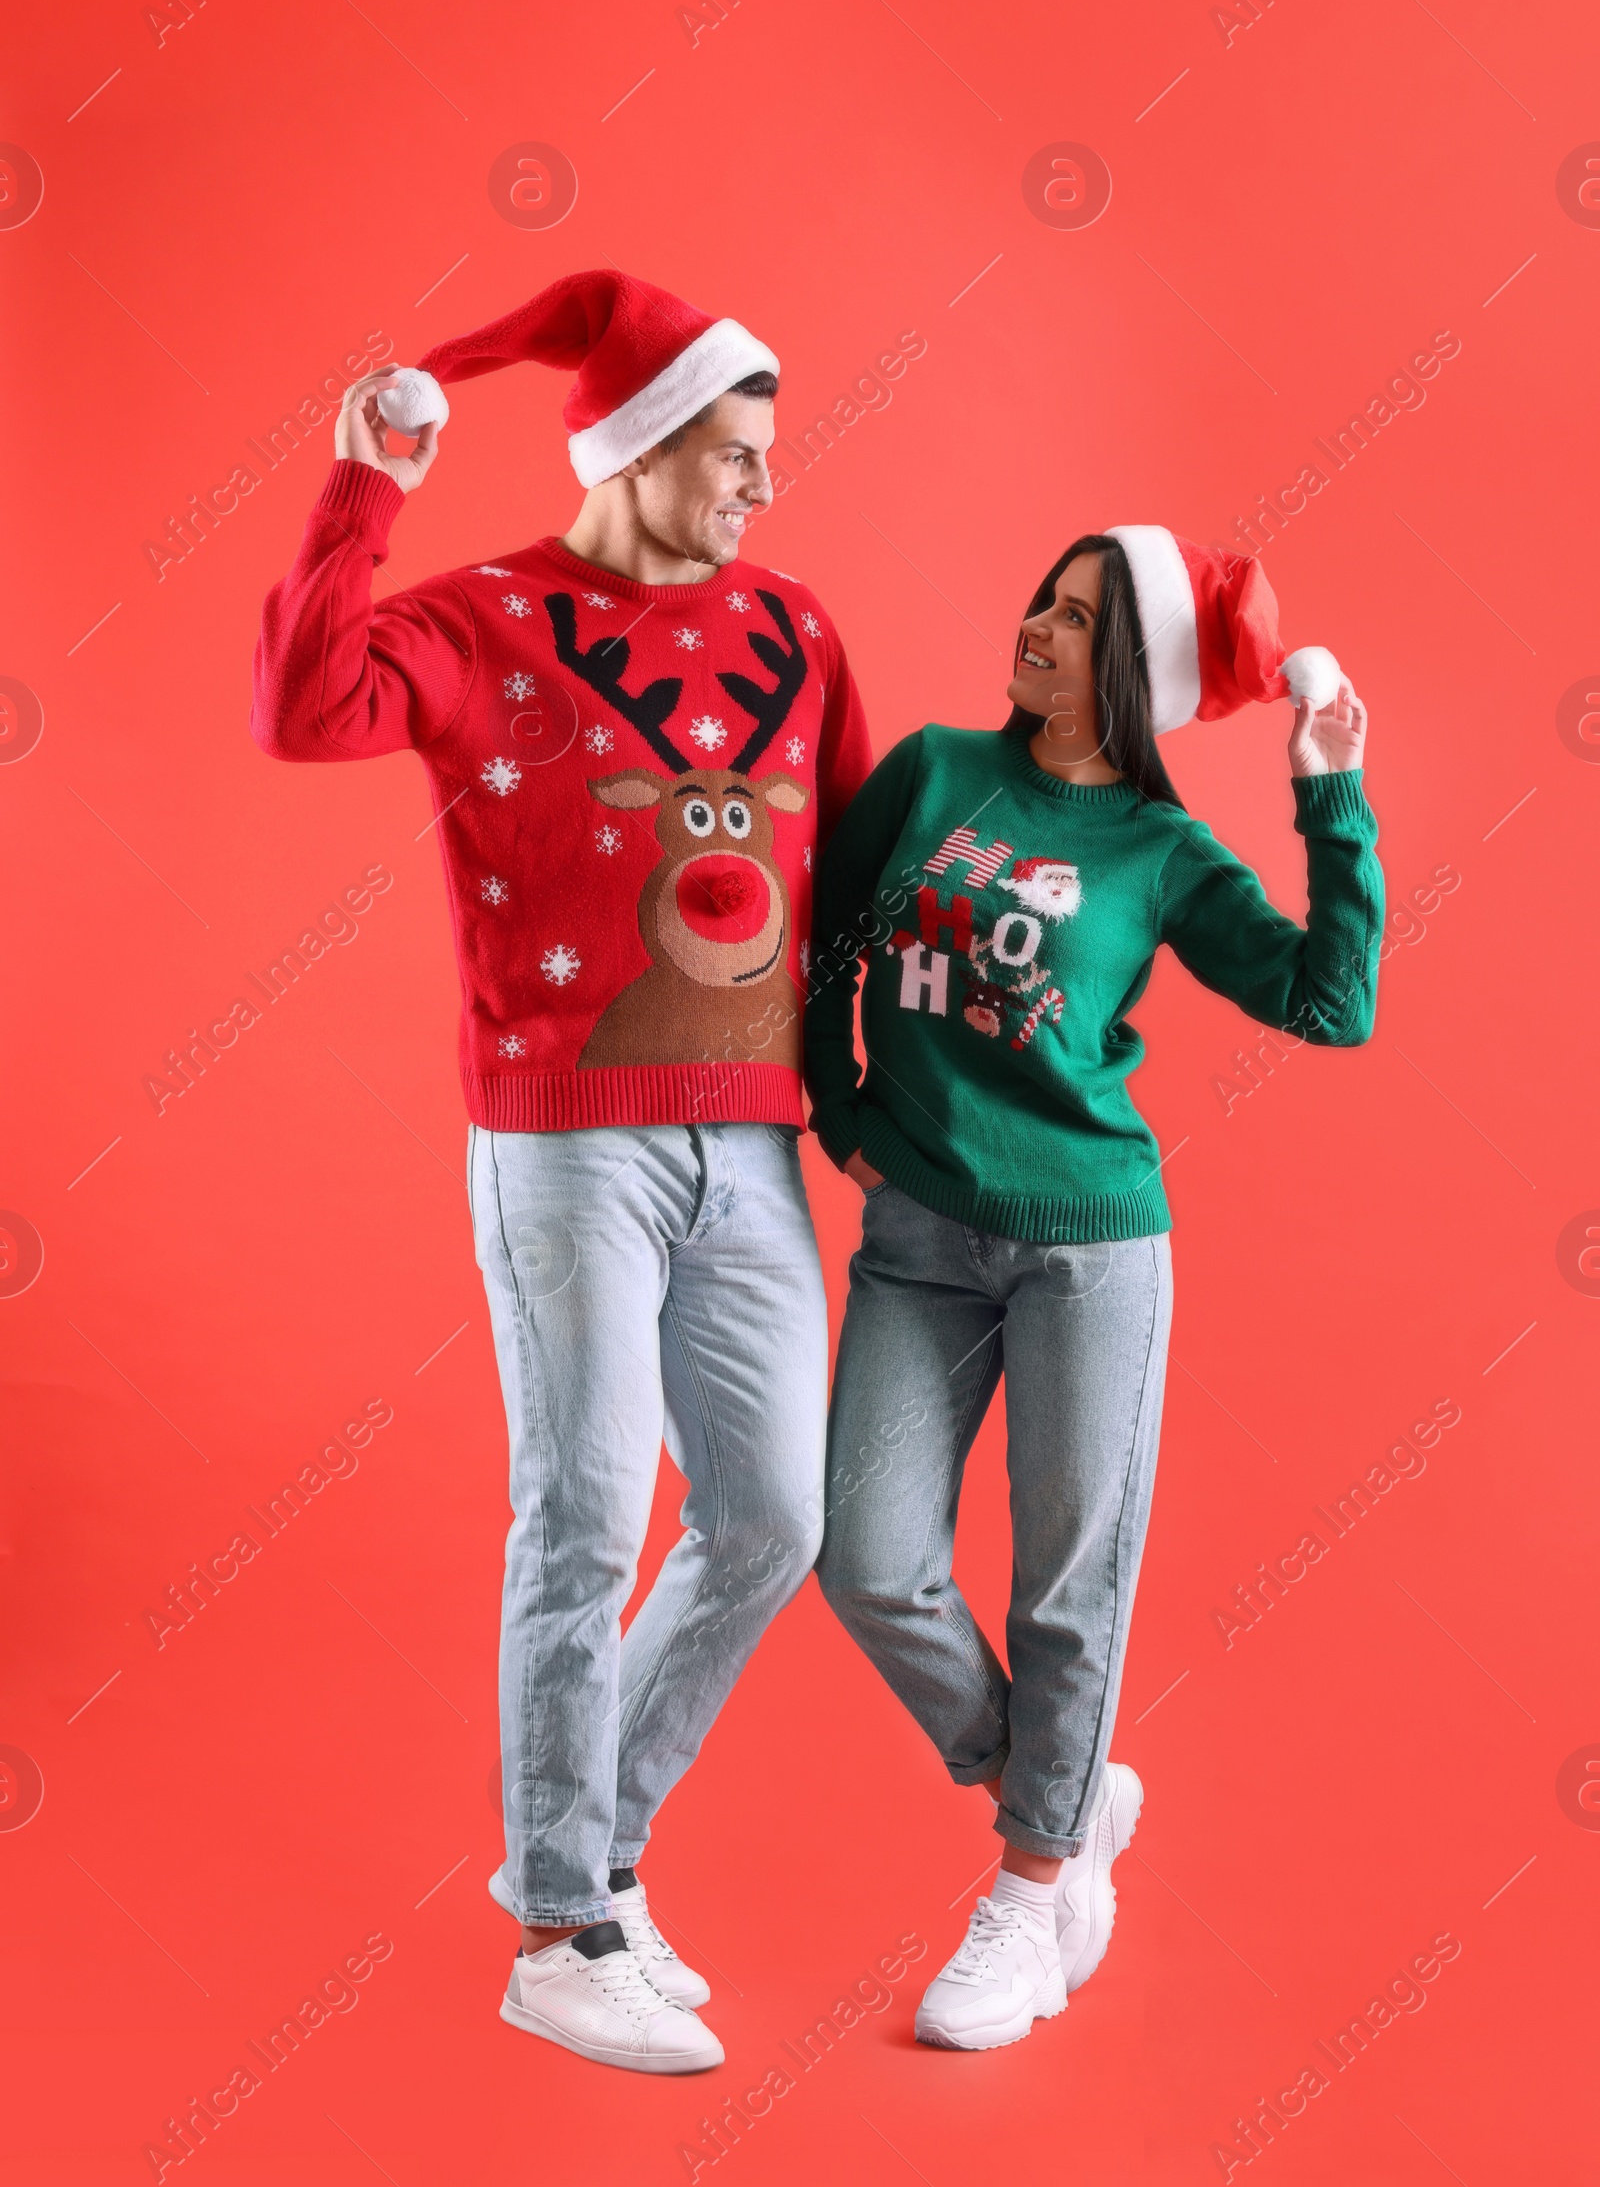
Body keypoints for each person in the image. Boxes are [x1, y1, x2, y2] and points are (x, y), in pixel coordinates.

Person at [252, 270, 872, 2074]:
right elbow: (307, 709)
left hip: (753, 1143)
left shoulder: (802, 626)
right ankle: (558, 1931)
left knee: (772, 1518)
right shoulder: (485, 619)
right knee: (590, 1512)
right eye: (735, 455)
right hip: (563, 1142)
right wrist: (366, 491)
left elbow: (849, 883)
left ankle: (597, 1851)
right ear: (642, 441)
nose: (762, 487)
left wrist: (885, 1108)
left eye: (770, 457)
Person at [806, 527, 1382, 2052]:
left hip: (1092, 1247)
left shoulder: (1163, 855)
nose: (1036, 629)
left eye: (1076, 619)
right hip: (920, 1239)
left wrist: (1330, 789)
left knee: (1069, 1590)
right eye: (1042, 603)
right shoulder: (932, 773)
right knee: (864, 1559)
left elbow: (1331, 1003)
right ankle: (1068, 1789)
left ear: (1134, 673)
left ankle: (1030, 1887)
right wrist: (844, 1118)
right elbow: (821, 942)